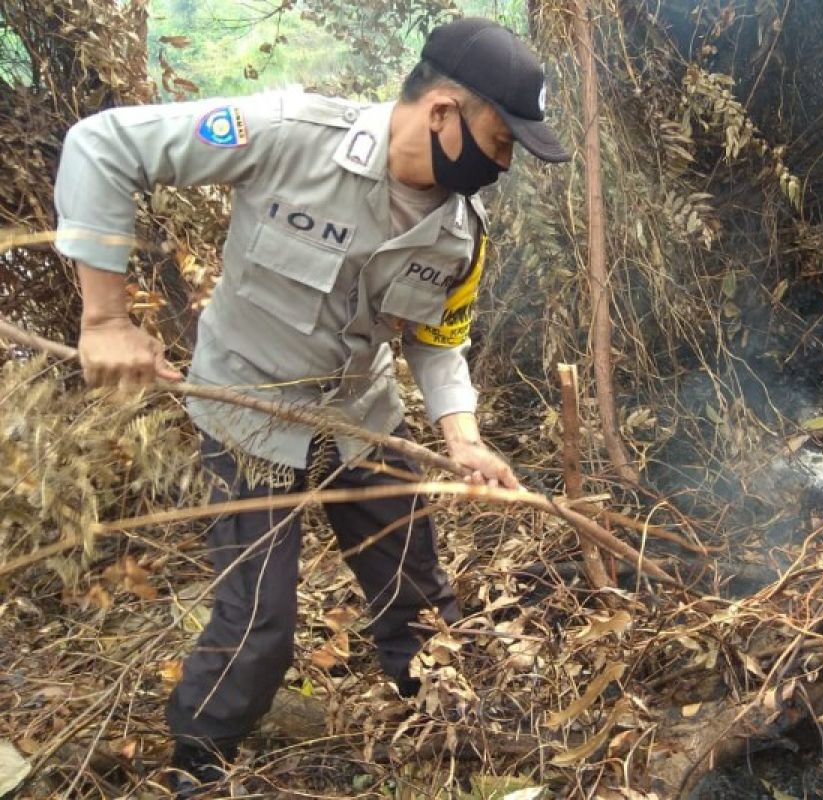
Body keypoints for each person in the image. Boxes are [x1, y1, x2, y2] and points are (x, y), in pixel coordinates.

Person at [53, 17, 569, 796]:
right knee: (259, 624)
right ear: (441, 114)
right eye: (501, 142)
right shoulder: (287, 135)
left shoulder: (461, 234)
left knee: (418, 594)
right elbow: (102, 145)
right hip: (250, 416)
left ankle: (447, 722)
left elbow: (436, 340)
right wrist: (105, 319)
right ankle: (198, 760)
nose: (503, 165)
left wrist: (459, 436)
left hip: (364, 417)